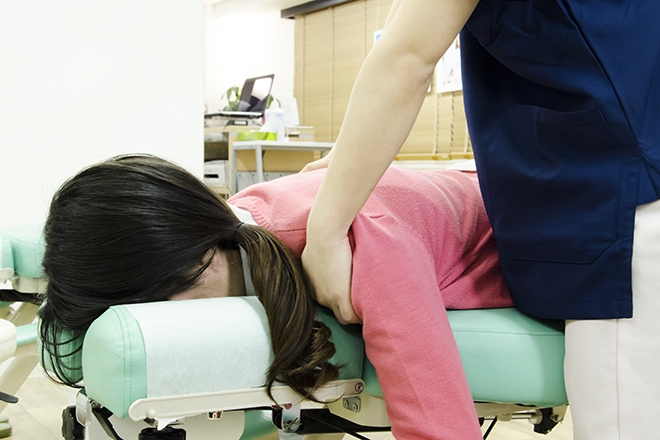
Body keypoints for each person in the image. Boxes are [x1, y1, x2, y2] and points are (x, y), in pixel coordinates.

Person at [299, 1, 660, 440]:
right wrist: (346, 160)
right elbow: (401, 36)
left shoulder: (373, 231)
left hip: (623, 201)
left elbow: (408, 57)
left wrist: (326, 234)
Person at [39, 154, 512, 439]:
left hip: (521, 225)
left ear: (193, 265)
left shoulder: (362, 248)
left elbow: (440, 426)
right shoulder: (235, 230)